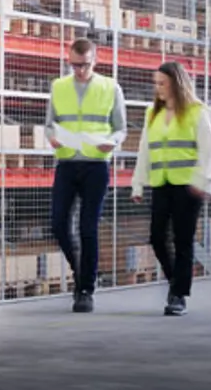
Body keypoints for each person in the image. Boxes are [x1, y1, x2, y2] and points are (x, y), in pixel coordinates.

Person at [132, 61, 211, 317]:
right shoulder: (153, 113)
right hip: (161, 183)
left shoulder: (196, 111)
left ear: (177, 83)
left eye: (162, 83)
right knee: (157, 238)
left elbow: (208, 151)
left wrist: (205, 182)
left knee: (183, 241)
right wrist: (138, 183)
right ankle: (176, 282)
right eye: (156, 83)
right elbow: (144, 151)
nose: (157, 88)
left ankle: (178, 295)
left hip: (188, 186)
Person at [47, 37, 126, 313]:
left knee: (87, 227)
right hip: (67, 163)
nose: (79, 70)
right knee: (58, 223)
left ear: (96, 60)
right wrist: (53, 139)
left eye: (84, 65)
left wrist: (113, 142)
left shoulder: (110, 87)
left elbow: (120, 128)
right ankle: (79, 268)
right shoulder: (58, 87)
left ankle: (85, 290)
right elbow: (50, 124)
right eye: (74, 65)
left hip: (96, 164)